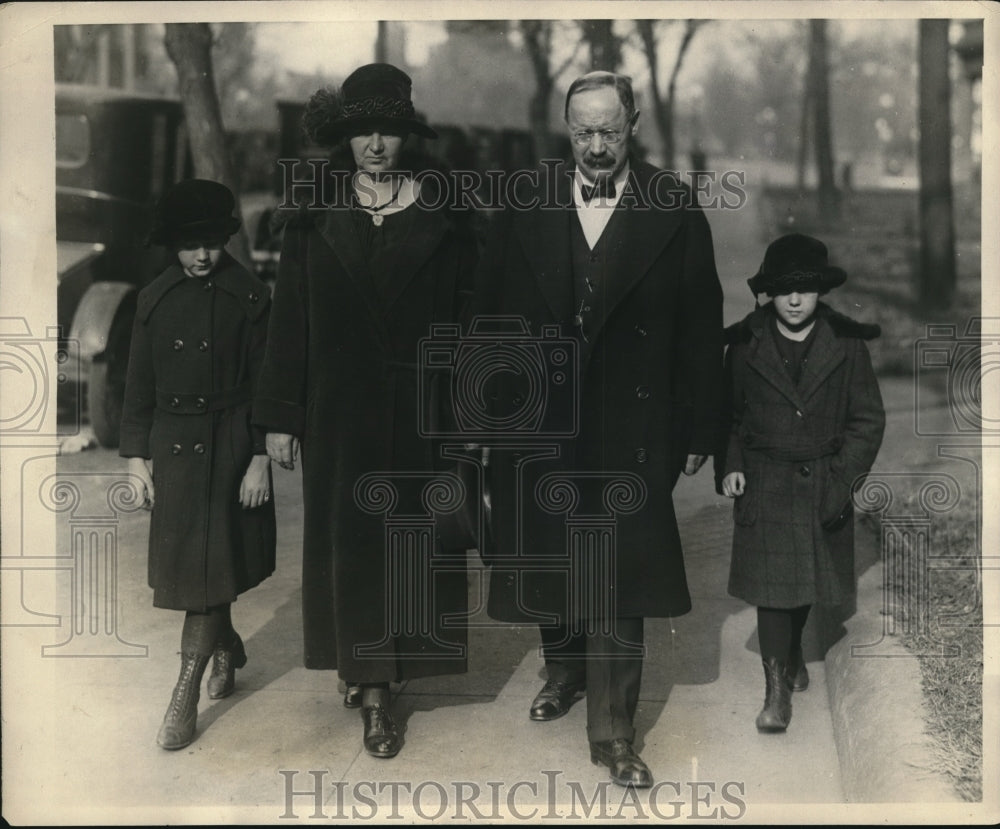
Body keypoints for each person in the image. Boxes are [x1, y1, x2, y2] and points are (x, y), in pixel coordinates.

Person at [469, 71, 724, 787]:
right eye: (583, 131)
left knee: (618, 576)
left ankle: (614, 732)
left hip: (632, 425)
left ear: (634, 124)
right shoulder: (525, 205)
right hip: (540, 420)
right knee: (549, 554)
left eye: (610, 129)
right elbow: (485, 315)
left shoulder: (673, 209)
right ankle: (563, 668)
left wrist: (704, 421)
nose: (597, 145)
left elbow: (703, 327)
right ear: (565, 130)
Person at [253, 63, 478, 759]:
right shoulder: (311, 218)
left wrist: (472, 423)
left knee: (409, 547)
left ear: (407, 135)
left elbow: (473, 321)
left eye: (388, 129)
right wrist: (281, 417)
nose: (375, 145)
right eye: (361, 132)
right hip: (339, 414)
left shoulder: (450, 218)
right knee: (351, 550)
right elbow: (289, 321)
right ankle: (372, 688)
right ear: (343, 138)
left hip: (422, 413)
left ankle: (384, 666)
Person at [120, 178, 276, 750]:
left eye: (211, 242)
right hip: (174, 446)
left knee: (208, 568)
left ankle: (182, 696)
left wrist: (260, 457)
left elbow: (267, 384)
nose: (202, 255)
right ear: (171, 245)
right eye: (189, 245)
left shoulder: (250, 297)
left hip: (231, 445)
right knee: (199, 570)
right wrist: (136, 457)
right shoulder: (153, 299)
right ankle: (227, 646)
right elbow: (138, 385)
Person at [717, 233, 885, 732]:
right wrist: (731, 465)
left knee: (802, 579)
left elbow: (867, 420)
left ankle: (791, 653)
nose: (794, 300)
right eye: (784, 289)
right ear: (769, 291)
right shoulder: (746, 344)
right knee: (773, 589)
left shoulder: (847, 345)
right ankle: (776, 694)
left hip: (821, 480)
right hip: (765, 479)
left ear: (820, 292)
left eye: (806, 289)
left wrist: (842, 477)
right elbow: (728, 416)